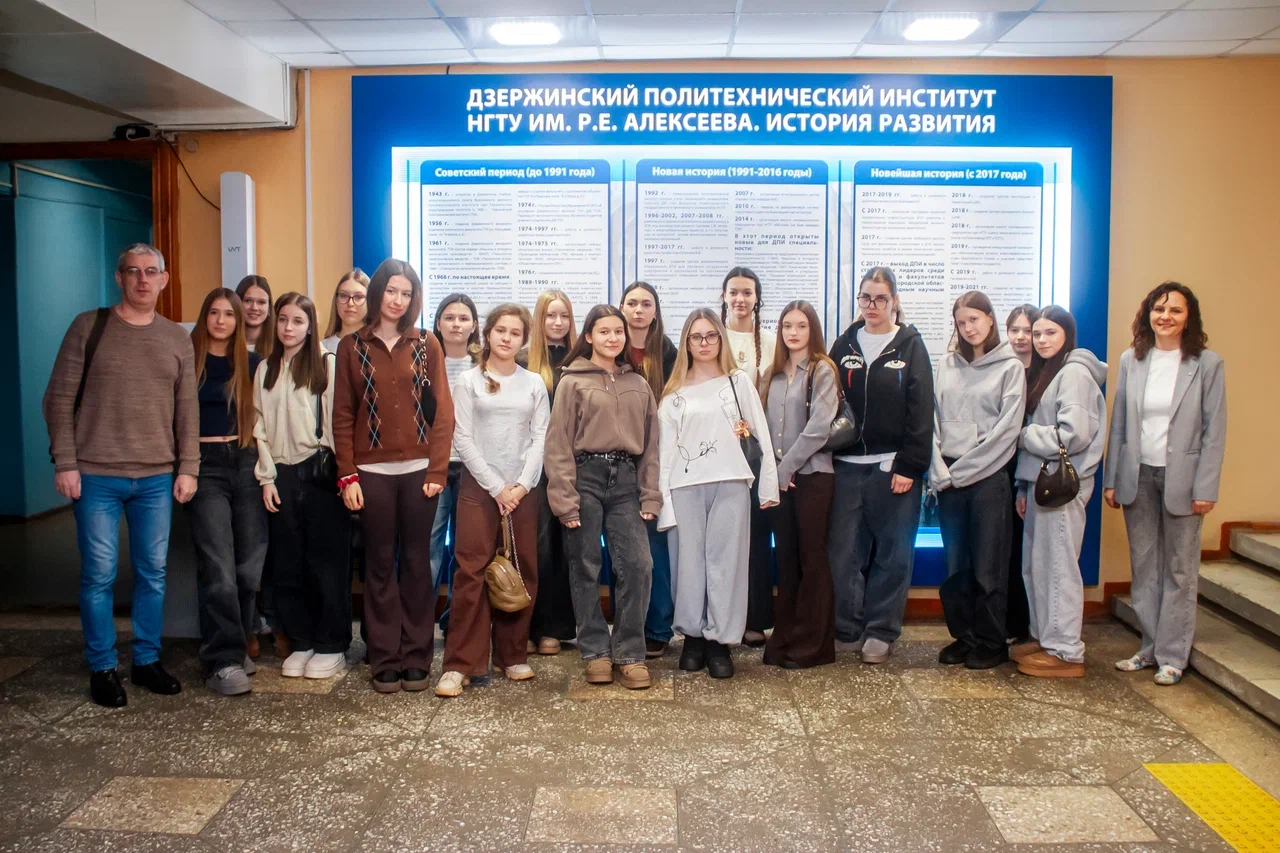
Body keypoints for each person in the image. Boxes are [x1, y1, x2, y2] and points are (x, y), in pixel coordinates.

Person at [43, 242, 197, 708]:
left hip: (155, 477)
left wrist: (188, 467)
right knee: (99, 575)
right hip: (95, 475)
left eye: (151, 271)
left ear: (164, 279)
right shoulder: (88, 327)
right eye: (133, 271)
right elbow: (58, 399)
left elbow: (187, 410)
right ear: (119, 277)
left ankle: (146, 660)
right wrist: (65, 463)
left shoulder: (176, 338)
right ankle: (102, 667)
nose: (142, 280)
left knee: (153, 574)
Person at [333, 260, 454, 694]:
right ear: (377, 293)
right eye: (391, 291)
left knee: (418, 564)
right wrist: (347, 475)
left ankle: (417, 656)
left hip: (420, 472)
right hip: (371, 473)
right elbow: (343, 414)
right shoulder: (351, 346)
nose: (398, 300)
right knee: (380, 564)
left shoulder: (426, 343)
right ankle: (384, 658)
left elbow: (443, 413)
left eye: (406, 293)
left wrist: (437, 469)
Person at [1105, 282, 1226, 686]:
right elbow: (1119, 425)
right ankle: (1149, 648)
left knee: (1179, 569)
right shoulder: (1133, 359)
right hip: (1138, 476)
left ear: (1189, 318)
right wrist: (1112, 478)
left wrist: (1206, 488)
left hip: (1185, 481)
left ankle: (1173, 656)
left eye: (1175, 310)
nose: (1166, 317)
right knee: (1144, 567)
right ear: (1148, 314)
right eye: (1159, 309)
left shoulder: (1207, 364)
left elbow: (1214, 432)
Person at [658, 309, 779, 679]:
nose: (704, 343)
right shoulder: (674, 394)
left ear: (720, 340)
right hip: (685, 487)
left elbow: (761, 435)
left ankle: (720, 641)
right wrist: (664, 503)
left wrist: (768, 486)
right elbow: (664, 453)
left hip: (731, 483)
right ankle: (693, 637)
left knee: (726, 564)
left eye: (711, 335)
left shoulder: (737, 382)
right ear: (686, 343)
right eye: (697, 337)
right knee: (688, 565)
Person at [436, 304, 550, 696]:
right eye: (501, 330)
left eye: (515, 333)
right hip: (478, 488)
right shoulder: (470, 381)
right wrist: (495, 487)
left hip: (522, 490)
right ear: (488, 334)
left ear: (524, 340)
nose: (506, 338)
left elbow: (541, 437)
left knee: (521, 569)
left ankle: (511, 655)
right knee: (470, 571)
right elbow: (462, 437)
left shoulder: (533, 383)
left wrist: (520, 486)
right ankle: (460, 664)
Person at [545, 305, 660, 690]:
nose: (613, 338)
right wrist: (564, 498)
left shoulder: (638, 384)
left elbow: (652, 446)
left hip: (626, 480)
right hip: (585, 478)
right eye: (604, 331)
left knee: (639, 565)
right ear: (589, 336)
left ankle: (629, 652)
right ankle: (595, 651)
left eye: (618, 332)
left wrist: (650, 495)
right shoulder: (572, 381)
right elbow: (558, 443)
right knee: (585, 565)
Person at [827, 266, 933, 665]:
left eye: (880, 299)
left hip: (893, 469)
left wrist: (911, 465)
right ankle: (848, 626)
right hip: (846, 466)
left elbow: (921, 411)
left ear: (894, 301)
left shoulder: (910, 347)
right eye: (866, 298)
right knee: (843, 552)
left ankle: (881, 630)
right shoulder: (844, 344)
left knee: (893, 552)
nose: (872, 306)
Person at [254, 293, 350, 681]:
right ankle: (302, 640)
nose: (288, 327)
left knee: (325, 563)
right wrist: (266, 478)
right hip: (280, 474)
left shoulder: (326, 364)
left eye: (297, 321)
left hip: (320, 472)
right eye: (283, 319)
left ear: (310, 326)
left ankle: (332, 644)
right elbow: (258, 427)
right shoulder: (265, 369)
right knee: (288, 563)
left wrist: (346, 476)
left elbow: (339, 422)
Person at [931, 292, 1027, 670]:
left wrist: (961, 473)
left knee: (989, 566)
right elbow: (932, 420)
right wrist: (938, 469)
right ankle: (965, 636)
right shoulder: (946, 364)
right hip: (949, 480)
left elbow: (1007, 433)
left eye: (974, 319)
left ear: (990, 319)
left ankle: (991, 641)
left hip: (988, 479)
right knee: (957, 566)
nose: (968, 328)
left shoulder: (1010, 367)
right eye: (961, 322)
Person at [1012, 306, 1107, 679]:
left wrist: (1023, 435)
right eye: (1037, 333)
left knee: (1058, 568)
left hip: (1063, 489)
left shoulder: (1075, 374)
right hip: (1041, 486)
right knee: (1037, 566)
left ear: (1067, 334)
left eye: (1050, 332)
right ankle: (1045, 639)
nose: (1041, 340)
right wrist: (1023, 485)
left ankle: (1066, 651)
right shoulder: (1050, 373)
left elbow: (1073, 435)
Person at [188, 288, 267, 695]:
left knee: (249, 566)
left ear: (239, 321)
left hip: (246, 459)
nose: (221, 321)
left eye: (229, 314)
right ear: (204, 317)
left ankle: (238, 640)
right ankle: (223, 660)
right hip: (203, 466)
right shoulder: (187, 360)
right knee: (217, 566)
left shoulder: (251, 364)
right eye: (214, 313)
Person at [760, 301, 839, 670]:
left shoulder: (822, 370)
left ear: (813, 330)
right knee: (786, 561)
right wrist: (774, 473)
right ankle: (786, 637)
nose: (793, 332)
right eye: (787, 326)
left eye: (801, 326)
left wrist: (785, 468)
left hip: (812, 477)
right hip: (780, 481)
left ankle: (814, 645)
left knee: (812, 560)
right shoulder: (772, 374)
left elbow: (819, 429)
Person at [720, 267, 778, 647]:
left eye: (747, 293)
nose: (740, 299)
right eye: (734, 292)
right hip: (719, 452)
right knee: (725, 538)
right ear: (724, 296)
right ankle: (722, 616)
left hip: (757, 451)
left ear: (757, 298)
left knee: (757, 537)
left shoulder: (771, 342)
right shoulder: (713, 336)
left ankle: (754, 617)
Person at [619, 281, 678, 659]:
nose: (638, 310)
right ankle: (626, 627)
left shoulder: (669, 352)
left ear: (655, 311)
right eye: (632, 303)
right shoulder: (610, 347)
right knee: (623, 551)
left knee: (656, 547)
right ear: (621, 307)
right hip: (616, 461)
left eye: (646, 304)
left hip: (658, 460)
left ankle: (658, 627)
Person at [519, 290, 577, 655]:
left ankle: (558, 628)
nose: (558, 322)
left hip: (573, 468)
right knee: (536, 547)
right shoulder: (523, 361)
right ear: (538, 320)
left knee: (567, 548)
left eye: (564, 316)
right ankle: (530, 627)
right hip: (533, 469)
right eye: (550, 315)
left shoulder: (581, 361)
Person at [431, 293, 481, 632]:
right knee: (429, 547)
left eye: (463, 318)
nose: (456, 324)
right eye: (449, 317)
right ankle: (418, 623)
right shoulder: (423, 362)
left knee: (466, 550)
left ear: (474, 325)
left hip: (472, 468)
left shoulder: (484, 366)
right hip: (433, 467)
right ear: (438, 323)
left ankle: (456, 623)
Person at [1003, 304, 1039, 646]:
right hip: (1003, 465)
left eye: (1028, 330)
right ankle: (1013, 623)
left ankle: (1035, 625)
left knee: (1033, 550)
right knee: (1010, 547)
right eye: (1014, 329)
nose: (1021, 337)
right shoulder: (1003, 367)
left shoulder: (1047, 372)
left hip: (1035, 468)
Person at [322, 268, 370, 353]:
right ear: (336, 300)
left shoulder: (381, 347)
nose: (350, 303)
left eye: (358, 297)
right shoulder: (323, 348)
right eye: (343, 295)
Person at [236, 274, 274, 359]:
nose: (254, 308)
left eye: (261, 302)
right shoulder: (224, 344)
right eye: (248, 301)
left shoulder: (280, 346)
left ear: (269, 308)